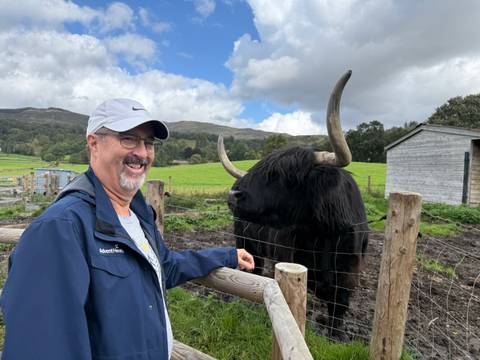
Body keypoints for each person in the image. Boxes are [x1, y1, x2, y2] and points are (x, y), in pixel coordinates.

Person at [1, 98, 255, 360]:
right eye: (128, 139)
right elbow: (41, 348)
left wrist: (226, 256)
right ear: (94, 144)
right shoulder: (60, 228)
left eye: (148, 143)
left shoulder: (138, 215)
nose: (142, 153)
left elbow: (163, 267)